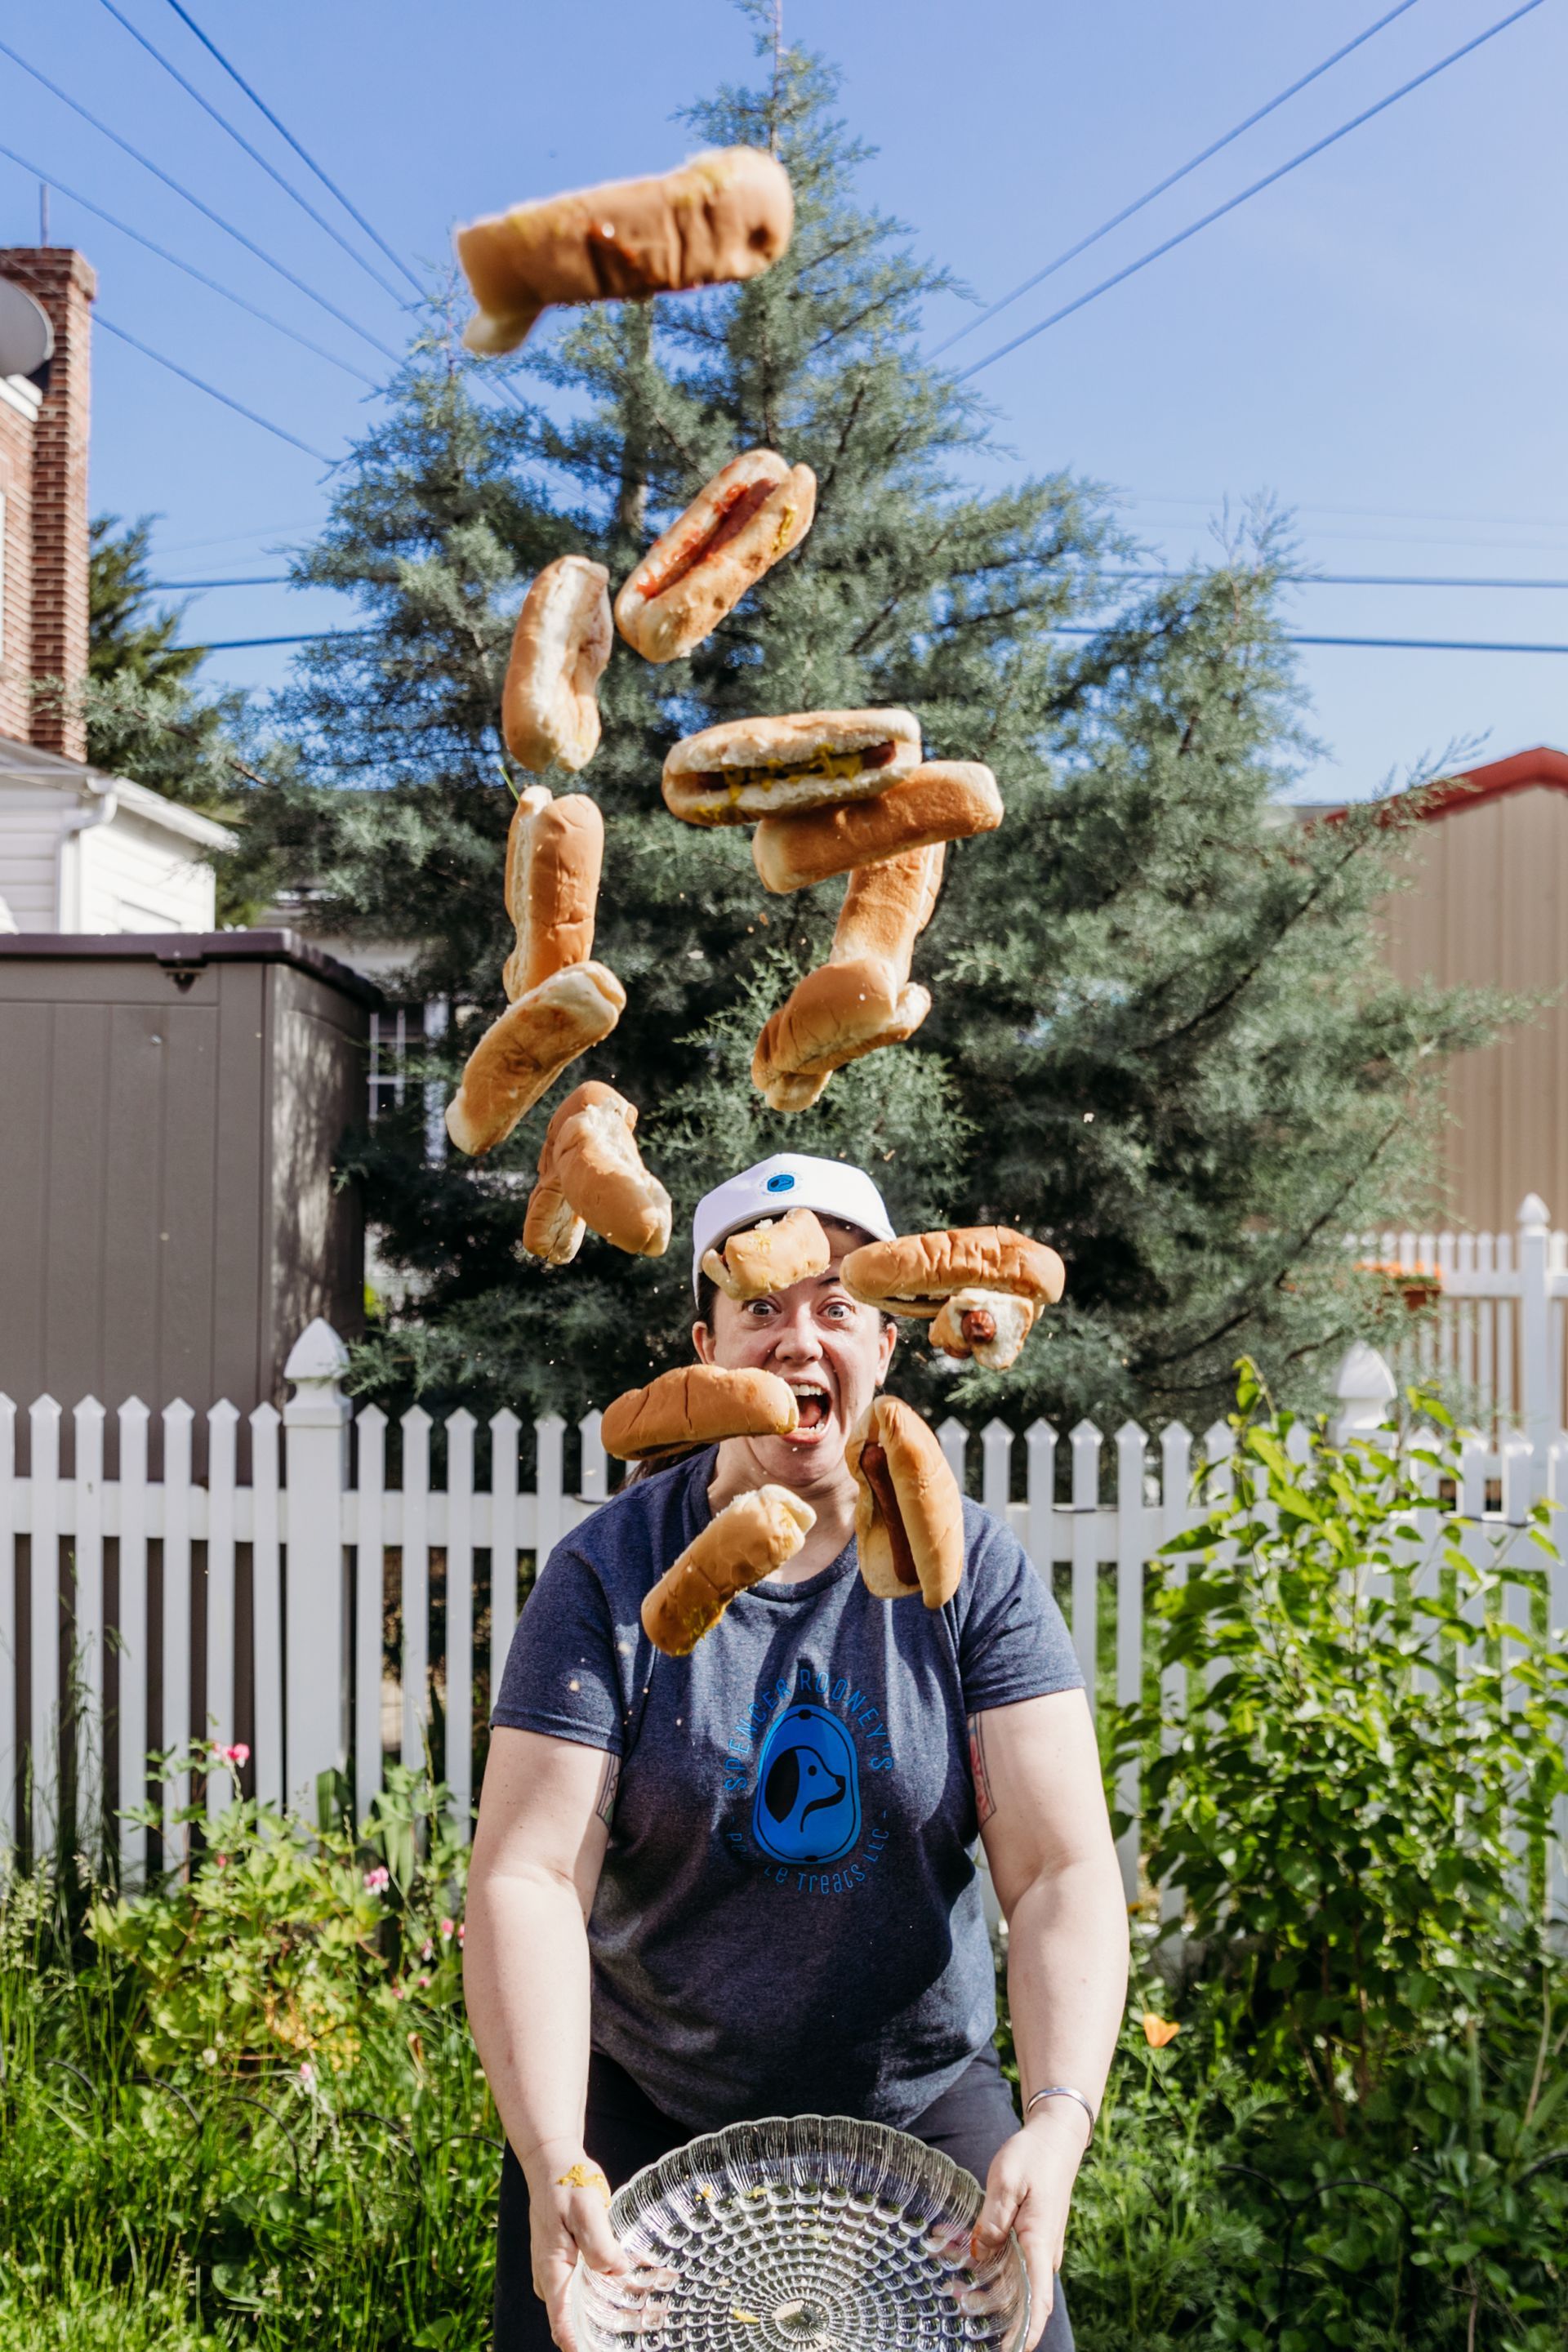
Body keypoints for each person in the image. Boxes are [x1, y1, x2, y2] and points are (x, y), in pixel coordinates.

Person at [466, 1152, 1129, 2352]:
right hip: (644, 2104)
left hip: (920, 2103)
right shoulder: (607, 1575)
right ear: (705, 1348)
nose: (798, 1340)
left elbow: (1059, 1873)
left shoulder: (974, 1575)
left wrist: (1059, 2120)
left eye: (837, 1306)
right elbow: (529, 1877)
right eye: (761, 1307)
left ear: (888, 1343)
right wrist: (553, 2149)